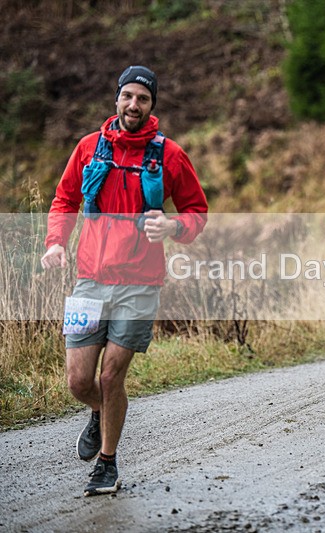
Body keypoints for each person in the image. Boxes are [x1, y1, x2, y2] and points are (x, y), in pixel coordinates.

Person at [40, 66, 208, 496]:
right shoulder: (88, 148)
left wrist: (172, 228)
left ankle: (107, 463)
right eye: (128, 96)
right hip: (89, 281)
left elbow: (197, 212)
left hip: (140, 284)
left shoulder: (168, 154)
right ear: (117, 98)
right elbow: (64, 199)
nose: (134, 105)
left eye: (143, 99)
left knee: (112, 376)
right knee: (79, 381)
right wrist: (56, 242)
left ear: (153, 105)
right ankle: (100, 412)